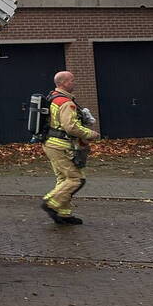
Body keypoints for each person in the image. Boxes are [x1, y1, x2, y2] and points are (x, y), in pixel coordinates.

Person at [41, 70, 99, 225]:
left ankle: (63, 214)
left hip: (51, 143)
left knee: (63, 179)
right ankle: (51, 202)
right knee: (76, 179)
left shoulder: (52, 98)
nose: (75, 83)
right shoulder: (66, 103)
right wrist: (91, 134)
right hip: (61, 146)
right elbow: (71, 127)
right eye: (72, 80)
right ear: (63, 83)